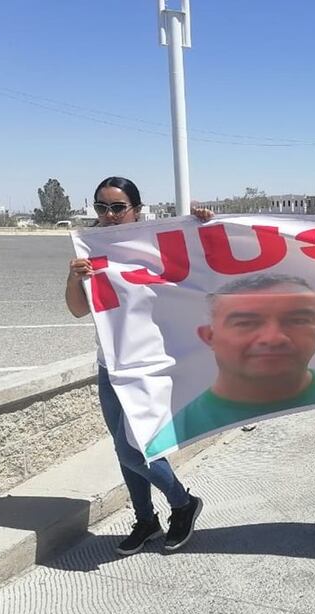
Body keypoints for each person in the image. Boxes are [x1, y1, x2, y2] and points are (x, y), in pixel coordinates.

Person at [66, 177, 213, 556]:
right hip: (110, 365)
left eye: (118, 207)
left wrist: (202, 224)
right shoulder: (92, 248)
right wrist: (73, 277)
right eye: (102, 207)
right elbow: (79, 309)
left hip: (149, 364)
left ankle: (182, 503)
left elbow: (202, 266)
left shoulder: (155, 243)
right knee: (122, 449)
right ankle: (146, 520)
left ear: (136, 208)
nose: (109, 215)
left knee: (135, 450)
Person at [144, 274, 315, 453]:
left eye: (297, 320)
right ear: (209, 336)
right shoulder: (175, 430)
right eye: (246, 323)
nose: (273, 338)